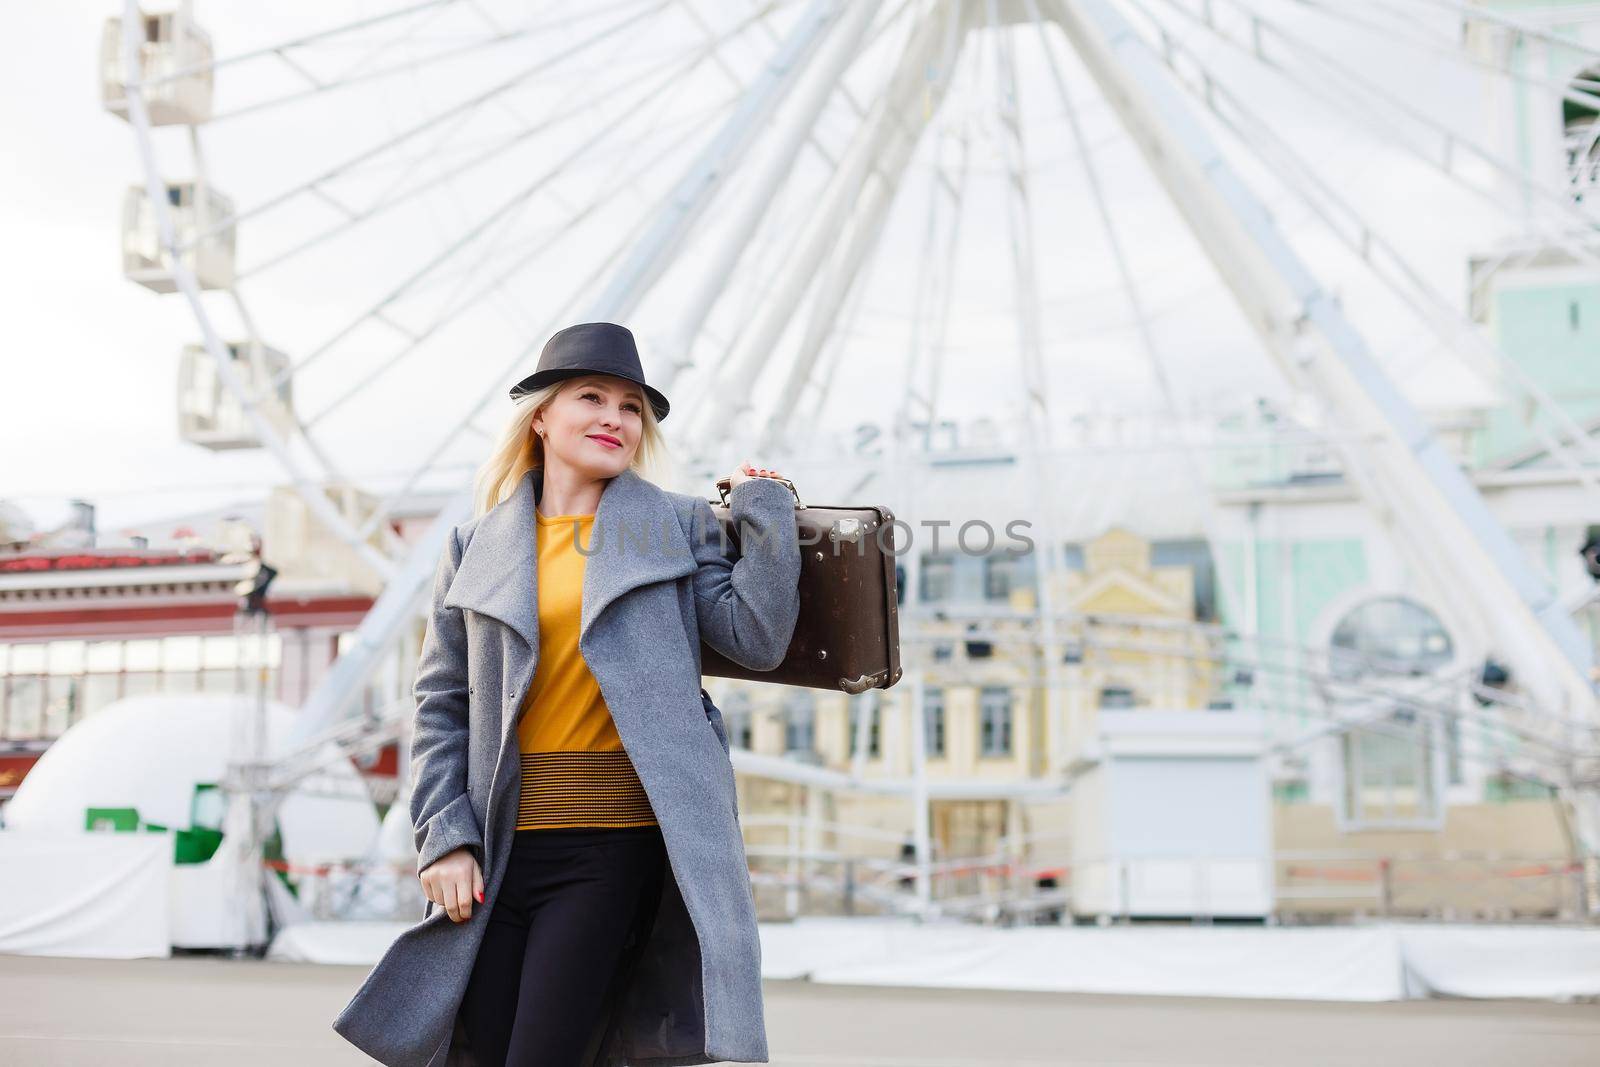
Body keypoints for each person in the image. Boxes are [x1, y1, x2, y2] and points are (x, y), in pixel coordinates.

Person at [332, 321, 800, 1067]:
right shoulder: (475, 543)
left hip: (614, 846)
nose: (616, 418)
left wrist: (767, 510)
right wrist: (443, 835)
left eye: (632, 407)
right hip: (495, 847)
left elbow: (756, 636)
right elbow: (441, 700)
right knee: (474, 1053)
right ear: (541, 415)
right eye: (593, 396)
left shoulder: (675, 526)